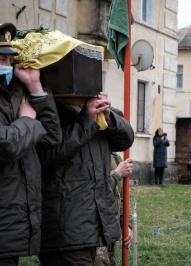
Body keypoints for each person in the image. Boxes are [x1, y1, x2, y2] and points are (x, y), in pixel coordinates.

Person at [38, 92, 134, 265]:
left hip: (96, 227)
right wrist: (86, 120)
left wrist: (110, 117)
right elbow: (47, 154)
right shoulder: (48, 108)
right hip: (67, 232)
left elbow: (126, 139)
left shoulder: (95, 114)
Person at [0, 22, 61, 266]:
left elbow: (52, 139)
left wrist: (35, 87)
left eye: (8, 60)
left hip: (10, 226)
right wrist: (26, 120)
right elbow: (6, 145)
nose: (5, 66)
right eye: (0, 59)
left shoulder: (14, 93)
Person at [95, 151, 134, 266]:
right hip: (93, 234)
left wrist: (126, 225)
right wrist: (116, 174)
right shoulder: (87, 155)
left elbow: (121, 195)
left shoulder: (115, 158)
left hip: (111, 233)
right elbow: (92, 193)